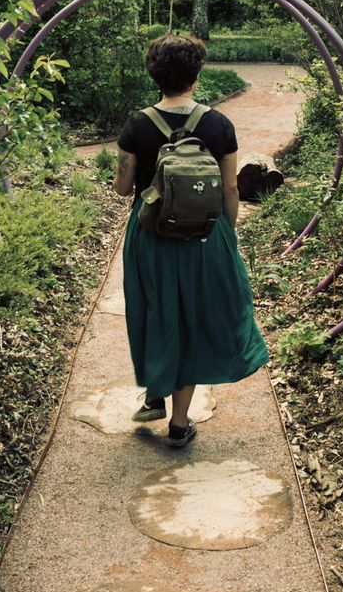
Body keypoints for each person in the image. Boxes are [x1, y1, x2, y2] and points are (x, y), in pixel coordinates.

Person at [113, 34, 269, 448]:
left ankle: (155, 394)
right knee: (193, 319)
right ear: (196, 75)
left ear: (154, 76)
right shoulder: (219, 125)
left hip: (150, 236)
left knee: (154, 309)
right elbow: (230, 189)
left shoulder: (137, 124)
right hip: (204, 237)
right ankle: (179, 424)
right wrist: (225, 235)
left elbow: (122, 188)